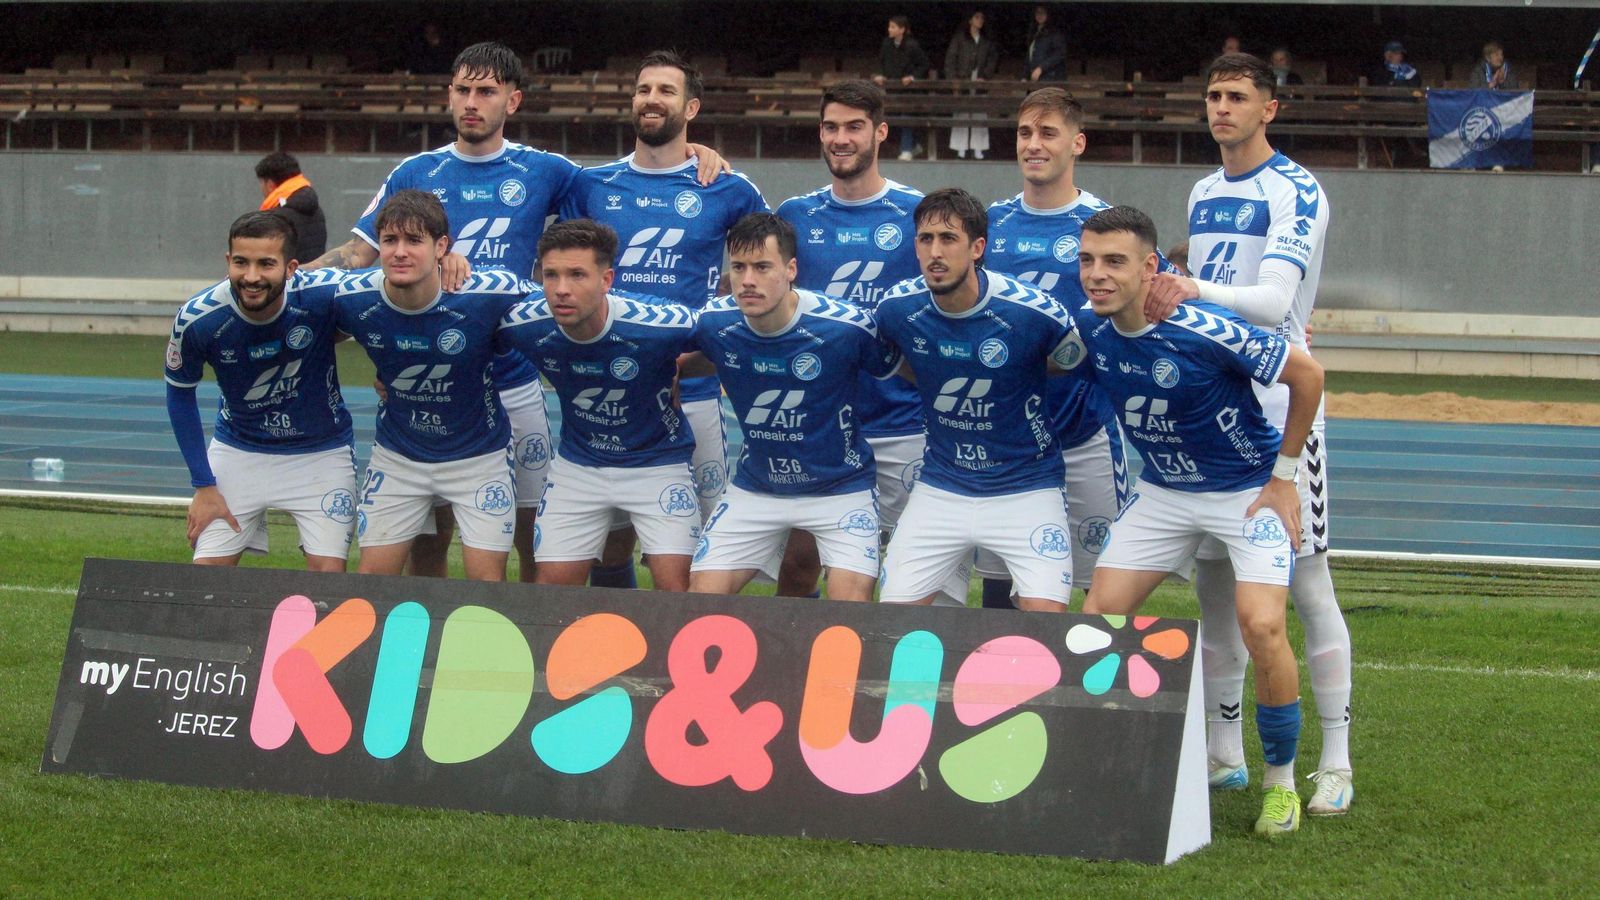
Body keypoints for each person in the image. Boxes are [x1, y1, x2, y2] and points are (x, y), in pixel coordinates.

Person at [304, 41, 726, 583]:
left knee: (531, 531)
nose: (472, 102)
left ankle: (526, 642)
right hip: (428, 376)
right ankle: (425, 642)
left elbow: (639, 173)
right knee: (427, 534)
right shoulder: (415, 170)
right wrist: (286, 278)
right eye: (463, 90)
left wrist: (698, 152)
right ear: (448, 96)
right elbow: (359, 252)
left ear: (514, 100)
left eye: (486, 91)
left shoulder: (550, 171)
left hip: (512, 378)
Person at [1068, 204, 1326, 837]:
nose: (1097, 275)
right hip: (1164, 494)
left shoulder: (1207, 330)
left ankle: (1281, 785)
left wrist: (1284, 477)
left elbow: (1308, 375)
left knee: (1263, 627)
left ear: (1151, 268)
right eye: (1087, 261)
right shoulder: (1088, 332)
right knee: (1095, 620)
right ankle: (1102, 761)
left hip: (1246, 493)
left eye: (1115, 262)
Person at [1143, 52, 1354, 817]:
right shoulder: (1204, 189)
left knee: (1306, 585)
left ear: (1270, 109)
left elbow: (1271, 301)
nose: (1220, 107)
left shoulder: (1296, 189)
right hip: (1211, 405)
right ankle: (1225, 753)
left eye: (1237, 96)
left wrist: (1189, 284)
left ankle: (1335, 758)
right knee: (1213, 590)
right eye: (1212, 95)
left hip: (1281, 412)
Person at [560, 50, 768, 589]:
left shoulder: (730, 189)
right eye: (643, 89)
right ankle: (616, 652)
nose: (652, 99)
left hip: (692, 389)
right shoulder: (589, 185)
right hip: (606, 387)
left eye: (666, 91)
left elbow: (767, 275)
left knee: (696, 549)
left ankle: (685, 662)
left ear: (691, 107)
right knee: (609, 539)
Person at [983, 87, 1167, 608]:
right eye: (1024, 133)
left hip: (1083, 435)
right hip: (1006, 440)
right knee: (1002, 592)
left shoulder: (1108, 226)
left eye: (1048, 133)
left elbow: (1167, 295)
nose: (1033, 145)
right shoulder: (990, 226)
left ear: (1077, 143)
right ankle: (1000, 688)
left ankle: (1089, 693)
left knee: (1099, 590)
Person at [874, 188, 1083, 611]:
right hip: (942, 485)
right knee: (889, 623)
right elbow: (902, 364)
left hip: (1027, 487)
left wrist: (1015, 376)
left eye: (948, 239)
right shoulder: (895, 309)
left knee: (1046, 625)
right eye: (925, 238)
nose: (935, 251)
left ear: (977, 248)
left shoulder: (1034, 313)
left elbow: (1071, 363)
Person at [682, 214, 902, 601]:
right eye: (738, 268)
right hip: (757, 488)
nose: (748, 280)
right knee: (701, 597)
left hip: (841, 489)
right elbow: (676, 362)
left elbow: (908, 370)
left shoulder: (846, 327)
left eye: (762, 267)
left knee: (850, 607)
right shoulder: (714, 324)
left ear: (791, 269)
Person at [773, 79, 927, 599]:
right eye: (832, 127)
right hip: (820, 422)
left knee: (908, 572)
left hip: (901, 423)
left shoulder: (919, 215)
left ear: (880, 133)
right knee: (797, 566)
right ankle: (794, 673)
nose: (841, 138)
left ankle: (889, 675)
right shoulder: (794, 215)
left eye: (854, 127)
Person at [332, 189, 527, 582]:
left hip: (479, 456)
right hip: (400, 456)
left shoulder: (490, 292)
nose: (400, 251)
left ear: (441, 246)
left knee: (488, 586)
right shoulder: (349, 297)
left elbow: (564, 314)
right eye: (390, 240)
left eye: (414, 240)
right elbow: (283, 303)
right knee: (372, 581)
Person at [497, 220, 701, 592]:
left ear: (607, 279)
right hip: (580, 466)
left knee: (679, 591)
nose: (561, 289)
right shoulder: (523, 323)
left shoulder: (657, 323)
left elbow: (731, 339)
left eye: (577, 275)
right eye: (551, 275)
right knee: (552, 591)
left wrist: (682, 366)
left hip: (657, 464)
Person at [164, 211, 354, 572]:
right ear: (228, 261)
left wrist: (446, 261)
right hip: (238, 451)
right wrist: (203, 485)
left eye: (266, 264)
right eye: (241, 262)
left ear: (291, 266)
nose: (251, 277)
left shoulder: (325, 294)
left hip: (321, 453)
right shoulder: (198, 319)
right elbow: (179, 394)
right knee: (205, 576)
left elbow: (393, 296)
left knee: (330, 580)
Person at [875, 15, 933, 160]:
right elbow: (881, 62)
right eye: (889, 26)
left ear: (902, 30)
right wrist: (881, 75)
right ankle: (914, 146)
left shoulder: (912, 45)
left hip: (908, 90)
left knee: (906, 117)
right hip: (892, 89)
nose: (890, 29)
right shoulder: (886, 44)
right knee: (892, 119)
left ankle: (906, 149)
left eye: (893, 27)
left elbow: (924, 64)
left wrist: (912, 77)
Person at [945, 10, 1000, 159]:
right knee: (961, 113)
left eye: (982, 17)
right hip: (963, 79)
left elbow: (992, 61)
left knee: (979, 114)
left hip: (979, 80)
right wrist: (954, 79)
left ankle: (978, 148)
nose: (980, 20)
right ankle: (960, 147)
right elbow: (950, 60)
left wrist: (985, 76)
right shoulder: (960, 39)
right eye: (977, 17)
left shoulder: (985, 41)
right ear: (970, 20)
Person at [254, 152, 327, 264]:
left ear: (269, 184)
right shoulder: (315, 209)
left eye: (261, 183)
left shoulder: (276, 218)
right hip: (312, 278)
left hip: (286, 280)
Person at [1025, 5, 1067, 83]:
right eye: (1037, 13)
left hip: (1051, 78)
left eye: (1043, 13)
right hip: (1035, 79)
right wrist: (1025, 76)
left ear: (1048, 15)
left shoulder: (1055, 33)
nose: (1039, 15)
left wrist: (1040, 68)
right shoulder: (1034, 32)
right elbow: (1030, 56)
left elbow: (1059, 54)